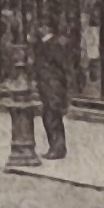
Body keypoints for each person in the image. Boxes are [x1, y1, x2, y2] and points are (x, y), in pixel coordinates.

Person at [33, 24, 69, 159]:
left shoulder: (53, 45)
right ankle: (55, 147)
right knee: (49, 117)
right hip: (48, 87)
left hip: (53, 88)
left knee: (53, 117)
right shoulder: (44, 45)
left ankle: (57, 148)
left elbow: (61, 68)